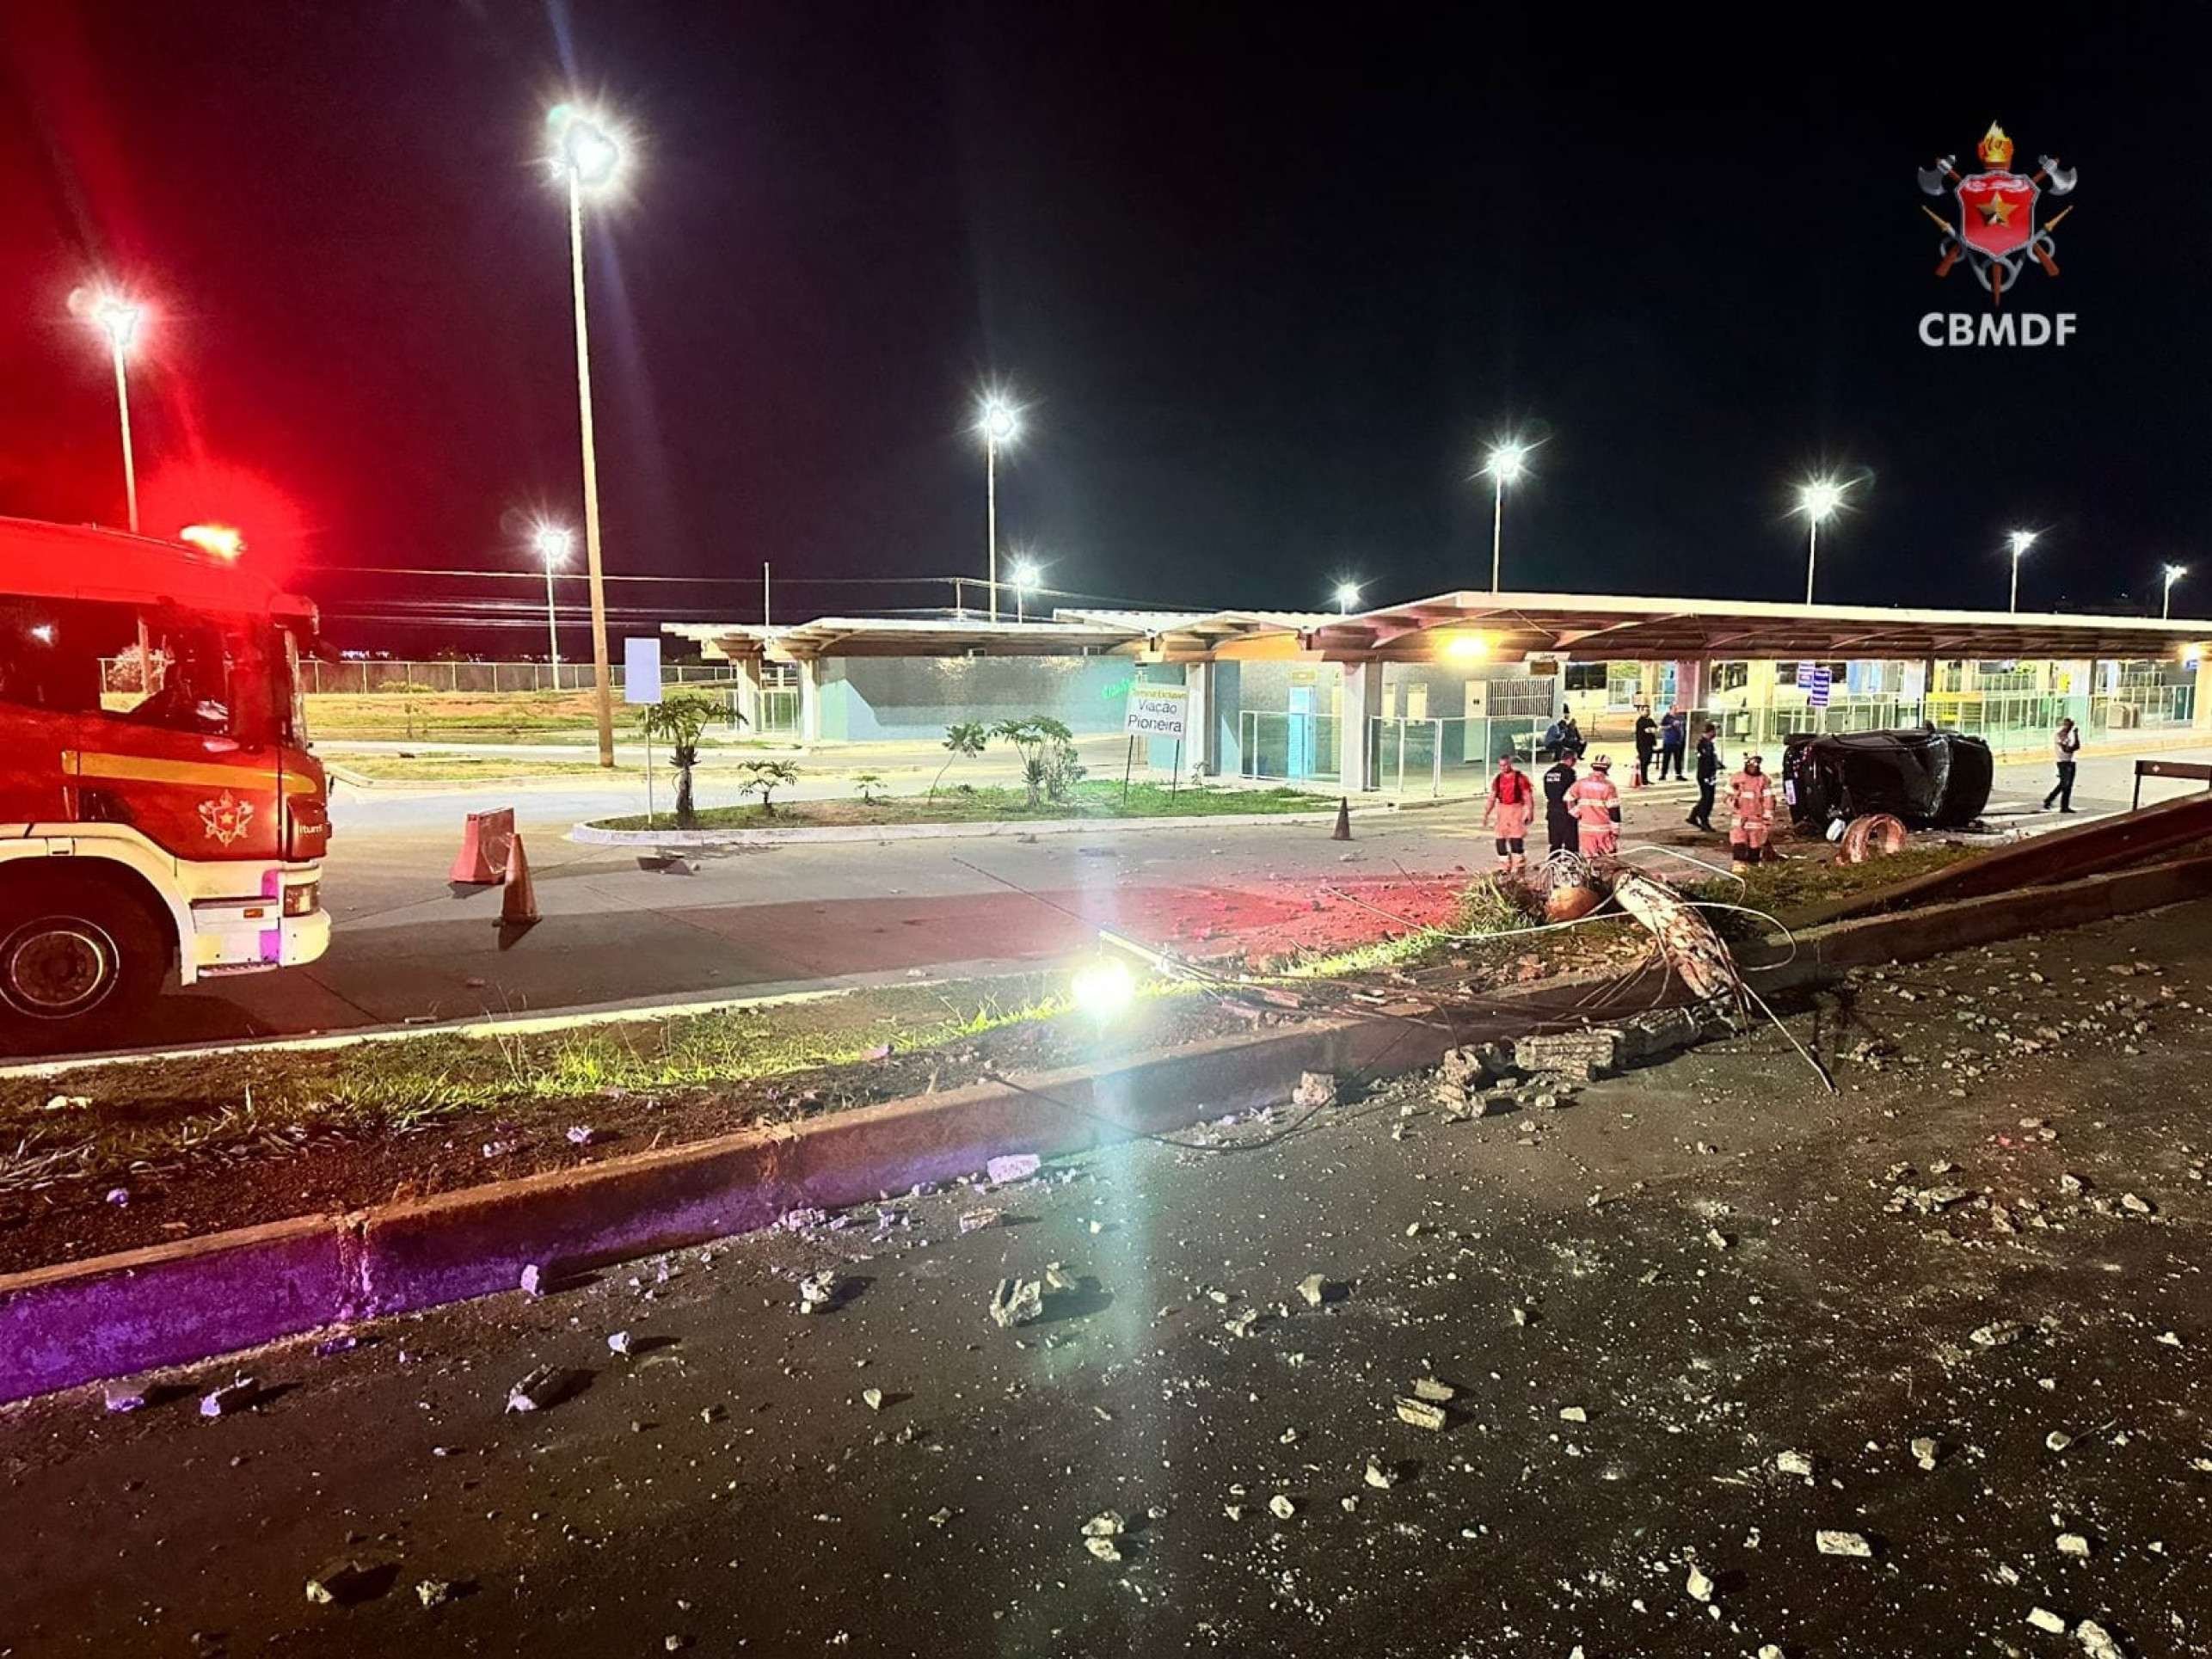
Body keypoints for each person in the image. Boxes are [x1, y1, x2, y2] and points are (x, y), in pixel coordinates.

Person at [1480, 753, 1535, 879]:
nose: (1503, 768)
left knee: (1516, 840)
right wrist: (1486, 815)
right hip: (1502, 810)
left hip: (1516, 809)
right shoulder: (1498, 779)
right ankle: (1504, 867)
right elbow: (1492, 798)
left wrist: (1530, 812)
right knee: (1500, 840)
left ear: (1510, 764)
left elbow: (1527, 796)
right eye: (1501, 766)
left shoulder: (1520, 778)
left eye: (1505, 765)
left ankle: (1519, 867)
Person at [1564, 753, 1623, 859]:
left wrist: (1577, 813)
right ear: (1607, 768)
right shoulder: (1609, 787)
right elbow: (1614, 811)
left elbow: (1568, 798)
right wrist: (1616, 830)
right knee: (1608, 861)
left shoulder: (1581, 783)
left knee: (1588, 860)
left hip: (1585, 830)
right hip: (1603, 830)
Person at [1727, 751, 1776, 871]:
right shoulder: (1737, 778)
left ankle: (1754, 872)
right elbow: (1727, 796)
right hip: (1740, 819)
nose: (1755, 766)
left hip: (1757, 820)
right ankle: (1739, 871)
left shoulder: (1764, 780)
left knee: (1755, 846)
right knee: (1739, 844)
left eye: (1757, 763)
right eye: (1753, 763)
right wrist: (1733, 802)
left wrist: (1767, 818)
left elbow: (1769, 800)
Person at [1543, 749, 1580, 853]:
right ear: (1570, 760)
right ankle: (1571, 864)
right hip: (1566, 811)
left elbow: (1547, 792)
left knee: (1555, 842)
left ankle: (1554, 864)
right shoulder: (1569, 773)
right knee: (1570, 842)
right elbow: (1572, 793)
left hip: (1552, 810)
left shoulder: (1549, 773)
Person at [2043, 717, 2081, 812]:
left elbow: (2077, 746)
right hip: (2063, 761)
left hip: (2072, 761)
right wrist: (2073, 744)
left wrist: (2076, 735)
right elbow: (2067, 749)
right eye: (2068, 725)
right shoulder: (2059, 735)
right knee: (2065, 783)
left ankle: (2064, 806)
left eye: (2071, 725)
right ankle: (2049, 799)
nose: (2070, 727)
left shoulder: (2072, 735)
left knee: (2068, 785)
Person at [1688, 722, 1720, 830]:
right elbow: (1706, 760)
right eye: (1715, 731)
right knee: (1707, 799)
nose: (1716, 733)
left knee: (1706, 798)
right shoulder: (1704, 744)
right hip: (1705, 774)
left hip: (1708, 774)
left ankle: (1693, 816)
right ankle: (1703, 819)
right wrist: (1709, 774)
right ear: (1711, 732)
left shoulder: (1708, 743)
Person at [1632, 707, 1657, 787]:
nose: (1648, 712)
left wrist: (1651, 729)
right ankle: (1643, 779)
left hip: (1650, 744)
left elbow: (1655, 729)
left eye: (1649, 710)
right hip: (1642, 745)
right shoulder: (1640, 721)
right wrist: (1650, 729)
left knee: (1648, 761)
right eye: (1646, 710)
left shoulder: (1650, 720)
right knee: (1644, 762)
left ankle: (1645, 778)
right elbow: (1647, 730)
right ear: (1641, 711)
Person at [1658, 710, 1687, 780]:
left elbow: (1683, 727)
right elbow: (1661, 727)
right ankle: (1663, 775)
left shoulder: (1680, 717)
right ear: (1670, 710)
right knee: (1666, 759)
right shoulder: (1666, 717)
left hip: (1677, 742)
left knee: (1678, 759)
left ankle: (1679, 775)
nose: (1676, 711)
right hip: (1668, 742)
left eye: (1677, 709)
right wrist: (1669, 726)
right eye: (1674, 709)